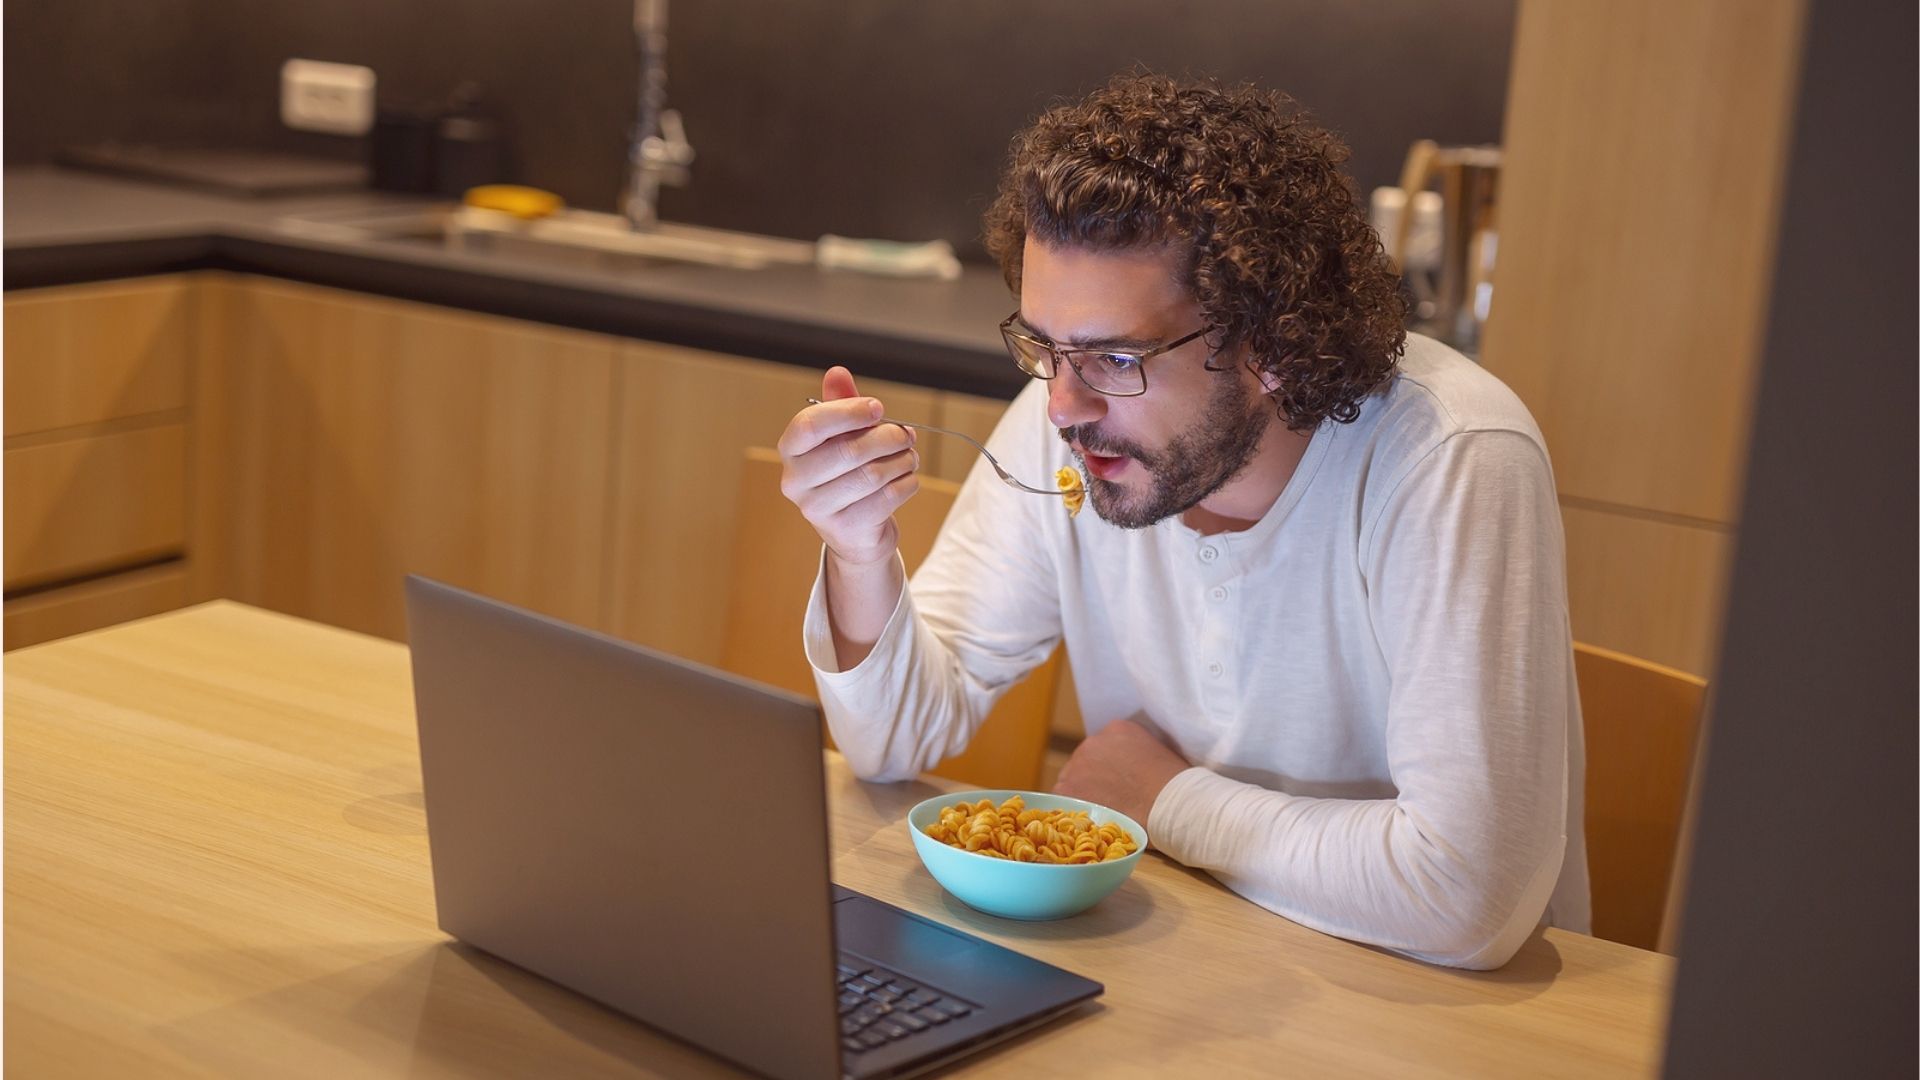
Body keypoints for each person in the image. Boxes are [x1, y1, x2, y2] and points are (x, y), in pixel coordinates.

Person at [775, 72, 1588, 970]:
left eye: (1116, 356)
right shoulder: (1078, 423)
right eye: (1044, 348)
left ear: (1271, 343)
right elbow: (894, 741)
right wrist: (860, 549)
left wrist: (1165, 800)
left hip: (1429, 1015)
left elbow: (1469, 897)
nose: (1061, 406)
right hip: (1185, 969)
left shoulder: (1450, 458)